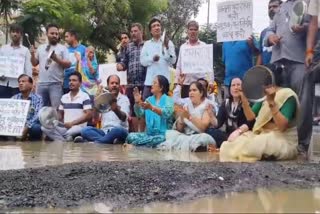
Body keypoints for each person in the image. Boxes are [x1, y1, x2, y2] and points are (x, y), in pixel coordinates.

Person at [220, 65, 300, 162]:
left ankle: (263, 155)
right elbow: (250, 117)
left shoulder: (287, 94)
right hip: (262, 135)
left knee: (254, 146)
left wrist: (272, 103)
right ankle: (262, 155)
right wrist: (243, 98)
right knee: (228, 146)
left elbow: (282, 126)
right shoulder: (263, 96)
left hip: (282, 139)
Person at [265, 0, 312, 152]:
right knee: (279, 101)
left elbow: (314, 28)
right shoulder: (280, 8)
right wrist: (270, 37)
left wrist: (303, 28)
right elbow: (269, 30)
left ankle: (302, 142)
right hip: (278, 62)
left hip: (299, 60)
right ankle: (280, 140)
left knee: (302, 101)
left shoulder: (307, 4)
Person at [158, 81, 215, 151]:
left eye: (194, 90)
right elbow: (179, 129)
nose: (191, 92)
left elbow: (203, 128)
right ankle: (190, 147)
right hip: (186, 135)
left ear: (201, 93)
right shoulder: (187, 105)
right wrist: (181, 119)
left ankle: (191, 146)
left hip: (199, 135)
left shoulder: (207, 106)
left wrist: (189, 117)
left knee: (204, 138)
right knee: (171, 134)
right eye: (190, 90)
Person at [41, 72, 92, 142]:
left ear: (80, 83)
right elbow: (60, 115)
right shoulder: (64, 97)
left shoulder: (84, 96)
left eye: (74, 80)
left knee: (71, 132)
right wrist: (52, 119)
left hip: (78, 127)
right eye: (70, 80)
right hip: (65, 127)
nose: (71, 82)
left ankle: (62, 139)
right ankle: (64, 140)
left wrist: (72, 123)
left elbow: (88, 115)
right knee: (44, 128)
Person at [125, 75, 174, 147]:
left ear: (161, 87)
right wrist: (137, 102)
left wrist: (151, 108)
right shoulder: (149, 100)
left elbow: (166, 113)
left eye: (155, 83)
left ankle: (135, 145)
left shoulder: (168, 100)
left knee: (161, 139)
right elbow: (140, 114)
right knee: (130, 136)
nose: (152, 85)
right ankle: (141, 144)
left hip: (162, 135)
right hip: (149, 135)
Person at [31, 23, 71, 109]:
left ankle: (55, 123)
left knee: (56, 110)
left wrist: (56, 59)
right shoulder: (41, 48)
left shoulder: (63, 48)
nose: (54, 35)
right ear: (47, 34)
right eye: (52, 33)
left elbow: (68, 64)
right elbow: (34, 63)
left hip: (56, 84)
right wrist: (32, 54)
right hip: (41, 84)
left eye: (56, 34)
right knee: (40, 110)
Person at [81, 75, 130, 144]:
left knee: (117, 130)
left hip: (120, 131)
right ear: (108, 85)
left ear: (119, 85)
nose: (114, 85)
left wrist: (116, 110)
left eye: (116, 83)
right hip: (104, 132)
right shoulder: (103, 98)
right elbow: (95, 120)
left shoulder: (124, 99)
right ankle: (108, 141)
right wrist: (96, 103)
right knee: (85, 130)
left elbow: (124, 117)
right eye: (112, 83)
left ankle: (97, 142)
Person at [207, 77, 251, 148]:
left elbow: (250, 122)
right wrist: (211, 115)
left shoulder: (248, 103)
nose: (236, 87)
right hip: (229, 136)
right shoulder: (226, 103)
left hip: (243, 135)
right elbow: (218, 124)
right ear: (230, 89)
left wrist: (238, 132)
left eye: (238, 85)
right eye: (233, 85)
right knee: (210, 131)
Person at [174, 20, 215, 98]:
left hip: (200, 84)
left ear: (198, 31)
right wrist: (176, 81)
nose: (193, 32)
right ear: (187, 31)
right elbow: (179, 65)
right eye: (191, 29)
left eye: (195, 29)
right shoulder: (183, 47)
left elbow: (209, 66)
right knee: (186, 108)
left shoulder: (204, 46)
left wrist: (211, 81)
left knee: (201, 108)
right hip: (185, 84)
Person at [140, 18, 176, 100]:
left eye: (158, 25)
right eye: (154, 26)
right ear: (151, 31)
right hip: (150, 82)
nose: (157, 28)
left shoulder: (168, 43)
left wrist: (166, 50)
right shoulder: (147, 44)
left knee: (163, 109)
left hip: (164, 83)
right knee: (146, 108)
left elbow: (173, 60)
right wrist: (152, 59)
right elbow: (142, 61)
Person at [117, 23, 146, 116]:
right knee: (133, 111)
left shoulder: (147, 45)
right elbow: (124, 62)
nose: (133, 33)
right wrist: (120, 65)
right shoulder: (128, 47)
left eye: (135, 31)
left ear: (141, 32)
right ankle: (134, 131)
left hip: (145, 84)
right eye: (132, 31)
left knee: (144, 110)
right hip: (131, 85)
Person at [0, 24, 32, 98]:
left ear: (21, 35)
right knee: (2, 106)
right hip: (3, 83)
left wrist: (28, 84)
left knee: (17, 106)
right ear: (10, 33)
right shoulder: (3, 49)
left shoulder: (25, 50)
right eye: (13, 32)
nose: (15, 34)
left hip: (18, 85)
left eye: (17, 32)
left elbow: (28, 69)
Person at [12, 74, 43, 141]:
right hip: (16, 124)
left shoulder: (38, 98)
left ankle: (33, 146)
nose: (20, 83)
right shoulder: (14, 98)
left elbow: (37, 116)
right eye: (19, 82)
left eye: (23, 81)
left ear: (31, 85)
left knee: (36, 128)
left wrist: (27, 126)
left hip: (30, 124)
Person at [256, 0, 281, 65]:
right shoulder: (264, 32)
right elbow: (261, 54)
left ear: (282, 8)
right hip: (267, 72)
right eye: (269, 7)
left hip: (283, 70)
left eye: (275, 6)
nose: (271, 9)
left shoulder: (287, 28)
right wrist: (257, 70)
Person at [63, 29, 87, 94]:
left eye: (67, 36)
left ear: (73, 37)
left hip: (79, 83)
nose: (65, 39)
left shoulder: (84, 49)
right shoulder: (65, 50)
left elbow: (86, 65)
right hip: (66, 83)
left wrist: (79, 60)